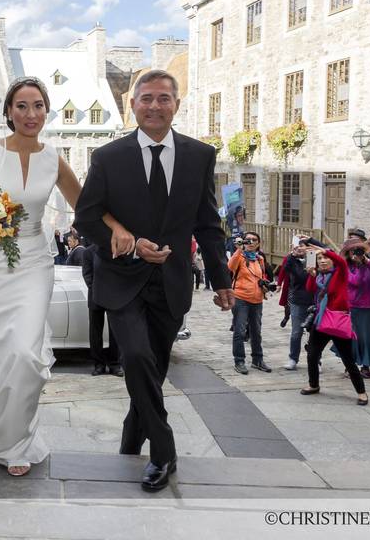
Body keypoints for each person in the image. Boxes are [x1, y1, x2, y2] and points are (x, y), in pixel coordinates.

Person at [74, 69, 233, 493]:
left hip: (173, 282)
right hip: (122, 280)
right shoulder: (108, 157)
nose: (154, 105)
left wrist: (220, 278)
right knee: (139, 358)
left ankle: (132, 435)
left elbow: (208, 223)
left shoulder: (200, 155)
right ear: (133, 105)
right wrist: (125, 241)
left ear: (176, 105)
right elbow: (86, 217)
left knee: (154, 370)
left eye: (164, 98)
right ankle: (163, 450)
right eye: (146, 98)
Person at [0, 76, 97, 477]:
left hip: (34, 262)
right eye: (22, 106)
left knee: (26, 355)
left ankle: (17, 438)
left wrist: (121, 227)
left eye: (38, 106)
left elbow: (85, 206)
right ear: (9, 112)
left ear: (46, 112)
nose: (30, 114)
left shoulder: (54, 158)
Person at [301, 245, 369, 405]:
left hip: (337, 320)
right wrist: (311, 275)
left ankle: (362, 392)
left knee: (347, 359)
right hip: (322, 320)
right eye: (319, 259)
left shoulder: (341, 273)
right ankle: (313, 384)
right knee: (312, 354)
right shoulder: (318, 276)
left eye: (326, 258)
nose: (323, 261)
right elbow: (309, 289)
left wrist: (322, 249)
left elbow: (342, 261)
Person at [227, 231, 272, 374]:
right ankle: (239, 360)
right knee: (240, 331)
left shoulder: (260, 259)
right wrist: (239, 249)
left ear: (258, 243)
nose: (251, 242)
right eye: (248, 240)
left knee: (256, 332)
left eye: (254, 240)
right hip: (240, 298)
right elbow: (230, 267)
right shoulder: (239, 257)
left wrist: (265, 284)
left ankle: (257, 360)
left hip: (257, 299)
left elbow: (263, 275)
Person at [279, 236, 325, 370]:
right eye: (299, 246)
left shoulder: (315, 258)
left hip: (315, 300)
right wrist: (293, 255)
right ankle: (293, 358)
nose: (301, 249)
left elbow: (329, 251)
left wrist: (313, 241)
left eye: (304, 246)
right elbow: (293, 273)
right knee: (296, 332)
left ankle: (316, 361)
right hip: (298, 300)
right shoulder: (292, 260)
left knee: (315, 333)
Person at [344, 238, 370, 379]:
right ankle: (351, 366)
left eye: (358, 250)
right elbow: (356, 281)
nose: (356, 254)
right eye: (352, 251)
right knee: (353, 337)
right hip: (354, 306)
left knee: (368, 337)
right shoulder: (347, 267)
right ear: (348, 253)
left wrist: (366, 262)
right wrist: (360, 266)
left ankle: (366, 366)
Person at [81, 241, 121, 377]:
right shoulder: (87, 252)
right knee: (95, 333)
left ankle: (115, 364)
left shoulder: (114, 249)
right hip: (95, 297)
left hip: (113, 297)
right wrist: (98, 290)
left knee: (115, 333)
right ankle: (99, 364)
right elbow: (87, 275)